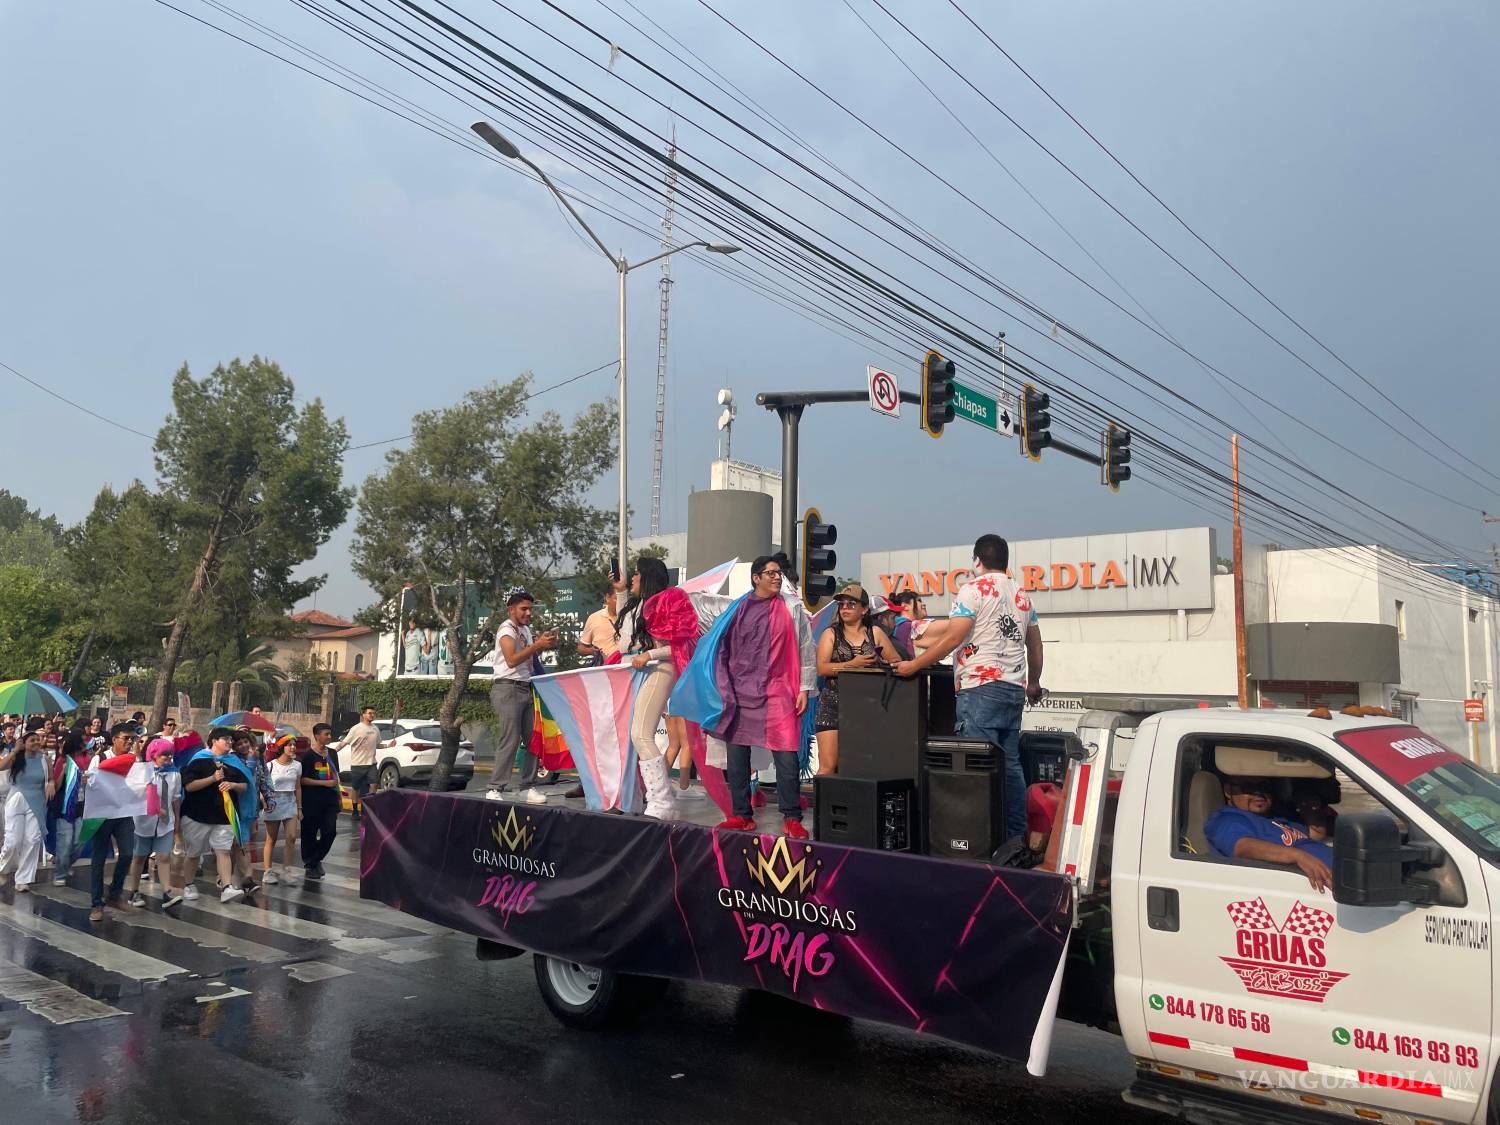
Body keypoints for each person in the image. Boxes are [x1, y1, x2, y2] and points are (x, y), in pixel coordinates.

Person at [894, 534, 1043, 842]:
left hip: (979, 686)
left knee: (975, 766)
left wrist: (914, 665)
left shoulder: (972, 590)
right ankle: (1015, 838)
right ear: (1005, 561)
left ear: (977, 561)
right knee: (1010, 765)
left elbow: (952, 637)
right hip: (1014, 689)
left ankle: (977, 840)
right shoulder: (1021, 595)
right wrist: (1034, 683)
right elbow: (1036, 647)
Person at [673, 555, 816, 838]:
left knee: (787, 755)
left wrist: (804, 689)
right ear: (756, 578)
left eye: (779, 574)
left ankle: (791, 817)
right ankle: (742, 815)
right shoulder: (735, 609)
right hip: (740, 693)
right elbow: (694, 608)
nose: (777, 578)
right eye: (771, 573)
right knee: (737, 756)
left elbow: (805, 648)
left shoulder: (791, 607)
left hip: (779, 691)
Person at [813, 584, 900, 777]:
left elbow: (896, 663)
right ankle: (822, 807)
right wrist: (853, 664)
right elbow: (822, 668)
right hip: (833, 703)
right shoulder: (831, 634)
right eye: (842, 605)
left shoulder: (874, 633)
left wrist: (880, 663)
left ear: (864, 609)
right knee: (828, 766)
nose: (844, 608)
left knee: (862, 765)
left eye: (851, 604)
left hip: (866, 705)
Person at [616, 557, 679, 819]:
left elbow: (677, 647)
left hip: (657, 669)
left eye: (637, 574)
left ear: (648, 578)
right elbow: (624, 640)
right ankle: (632, 797)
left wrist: (650, 656)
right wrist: (620, 591)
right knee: (627, 740)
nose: (632, 578)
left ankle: (662, 800)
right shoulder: (635, 605)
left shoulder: (666, 603)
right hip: (631, 671)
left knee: (641, 735)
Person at [481, 589, 557, 803]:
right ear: (511, 609)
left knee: (533, 739)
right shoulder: (507, 629)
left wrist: (542, 645)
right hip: (507, 688)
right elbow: (512, 659)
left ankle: (527, 786)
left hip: (526, 687)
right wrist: (537, 645)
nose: (528, 613)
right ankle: (495, 788)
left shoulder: (525, 630)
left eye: (530, 609)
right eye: (524, 609)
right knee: (510, 738)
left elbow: (528, 659)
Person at [1205, 776, 1332, 892]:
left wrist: (1311, 811)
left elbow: (1312, 837)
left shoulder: (1280, 818)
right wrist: (1298, 856)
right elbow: (1242, 847)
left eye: (1264, 786)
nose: (1258, 792)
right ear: (1228, 790)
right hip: (1317, 889)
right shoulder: (1228, 819)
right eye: (1249, 787)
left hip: (1339, 876)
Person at [178, 729, 254, 907]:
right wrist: (213, 778)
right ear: (213, 740)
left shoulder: (234, 762)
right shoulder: (199, 760)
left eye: (230, 739)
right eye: (226, 739)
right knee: (194, 852)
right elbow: (189, 786)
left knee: (224, 851)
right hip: (198, 815)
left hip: (225, 815)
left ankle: (226, 886)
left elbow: (244, 785)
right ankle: (188, 885)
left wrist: (233, 784)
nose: (229, 742)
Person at [86, 724, 141, 922]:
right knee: (99, 858)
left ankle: (114, 895)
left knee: (127, 853)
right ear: (114, 739)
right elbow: (90, 783)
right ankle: (96, 903)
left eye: (132, 739)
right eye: (126, 738)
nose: (129, 742)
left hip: (124, 813)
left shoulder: (135, 761)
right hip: (102, 814)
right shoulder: (99, 759)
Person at [127, 739, 182, 909]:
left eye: (170, 755)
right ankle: (134, 891)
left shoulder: (175, 774)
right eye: (164, 755)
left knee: (164, 856)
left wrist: (177, 820)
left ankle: (167, 891)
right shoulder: (142, 771)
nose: (168, 758)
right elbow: (134, 795)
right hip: (144, 822)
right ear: (153, 755)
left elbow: (175, 798)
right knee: (139, 857)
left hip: (166, 823)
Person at [0, 731, 55, 893]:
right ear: (24, 743)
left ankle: (23, 879)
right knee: (12, 840)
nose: (37, 742)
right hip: (17, 799)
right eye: (32, 740)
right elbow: (1, 766)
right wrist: (15, 750)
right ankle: (2, 867)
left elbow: (50, 778)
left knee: (32, 840)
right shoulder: (17, 758)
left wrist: (51, 783)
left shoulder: (45, 759)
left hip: (37, 803)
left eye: (38, 739)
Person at [47, 729, 91, 886]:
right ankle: (60, 873)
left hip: (81, 806)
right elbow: (57, 786)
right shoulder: (63, 760)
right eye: (82, 741)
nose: (85, 743)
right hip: (65, 808)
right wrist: (63, 773)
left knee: (80, 841)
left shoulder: (88, 758)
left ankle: (66, 865)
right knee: (64, 842)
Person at [299, 723, 341, 880]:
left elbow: (336, 776)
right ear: (317, 736)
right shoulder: (308, 756)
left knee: (330, 831)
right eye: (326, 734)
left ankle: (315, 859)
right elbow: (302, 780)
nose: (329, 737)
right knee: (309, 833)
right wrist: (323, 783)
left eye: (330, 734)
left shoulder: (332, 753)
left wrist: (338, 796)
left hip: (330, 800)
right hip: (311, 800)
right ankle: (310, 864)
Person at [262, 736, 302, 885]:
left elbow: (298, 787)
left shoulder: (297, 765)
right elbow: (263, 786)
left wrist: (299, 807)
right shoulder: (270, 765)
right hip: (273, 801)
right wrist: (264, 800)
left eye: (294, 745)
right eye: (289, 745)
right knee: (271, 839)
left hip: (290, 802)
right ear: (281, 747)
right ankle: (267, 871)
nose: (293, 747)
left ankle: (287, 870)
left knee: (291, 837)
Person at [337, 707, 381, 816]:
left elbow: (379, 744)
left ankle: (368, 807)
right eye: (369, 713)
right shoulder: (356, 728)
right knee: (355, 787)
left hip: (371, 763)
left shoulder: (376, 729)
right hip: (358, 764)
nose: (372, 715)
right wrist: (332, 752)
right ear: (363, 715)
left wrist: (389, 745)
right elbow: (344, 742)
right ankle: (355, 809)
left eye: (373, 713)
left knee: (374, 784)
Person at [576, 590, 620, 665]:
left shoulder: (630, 617)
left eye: (623, 599)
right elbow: (580, 648)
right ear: (607, 598)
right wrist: (591, 651)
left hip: (628, 668)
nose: (620, 602)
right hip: (605, 670)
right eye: (617, 599)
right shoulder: (594, 618)